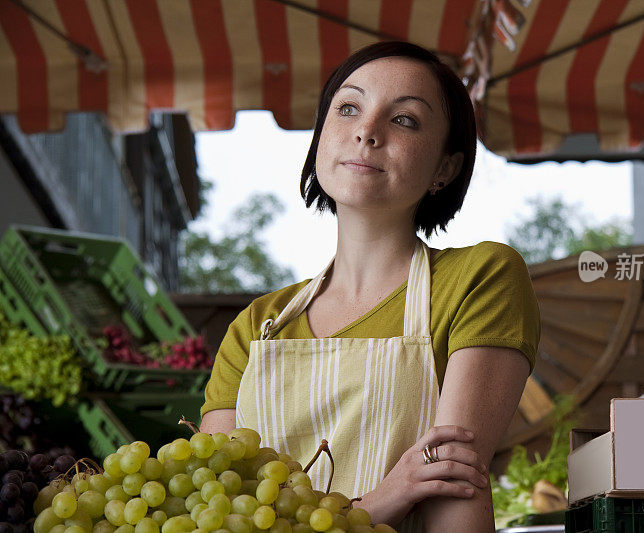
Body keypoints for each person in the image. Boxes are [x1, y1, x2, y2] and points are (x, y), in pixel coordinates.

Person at [199, 41, 540, 532]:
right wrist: (378, 504)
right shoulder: (257, 327)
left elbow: (453, 489)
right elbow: (214, 510)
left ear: (445, 167)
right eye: (349, 108)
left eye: (404, 119)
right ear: (321, 138)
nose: (366, 131)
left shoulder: (481, 279)